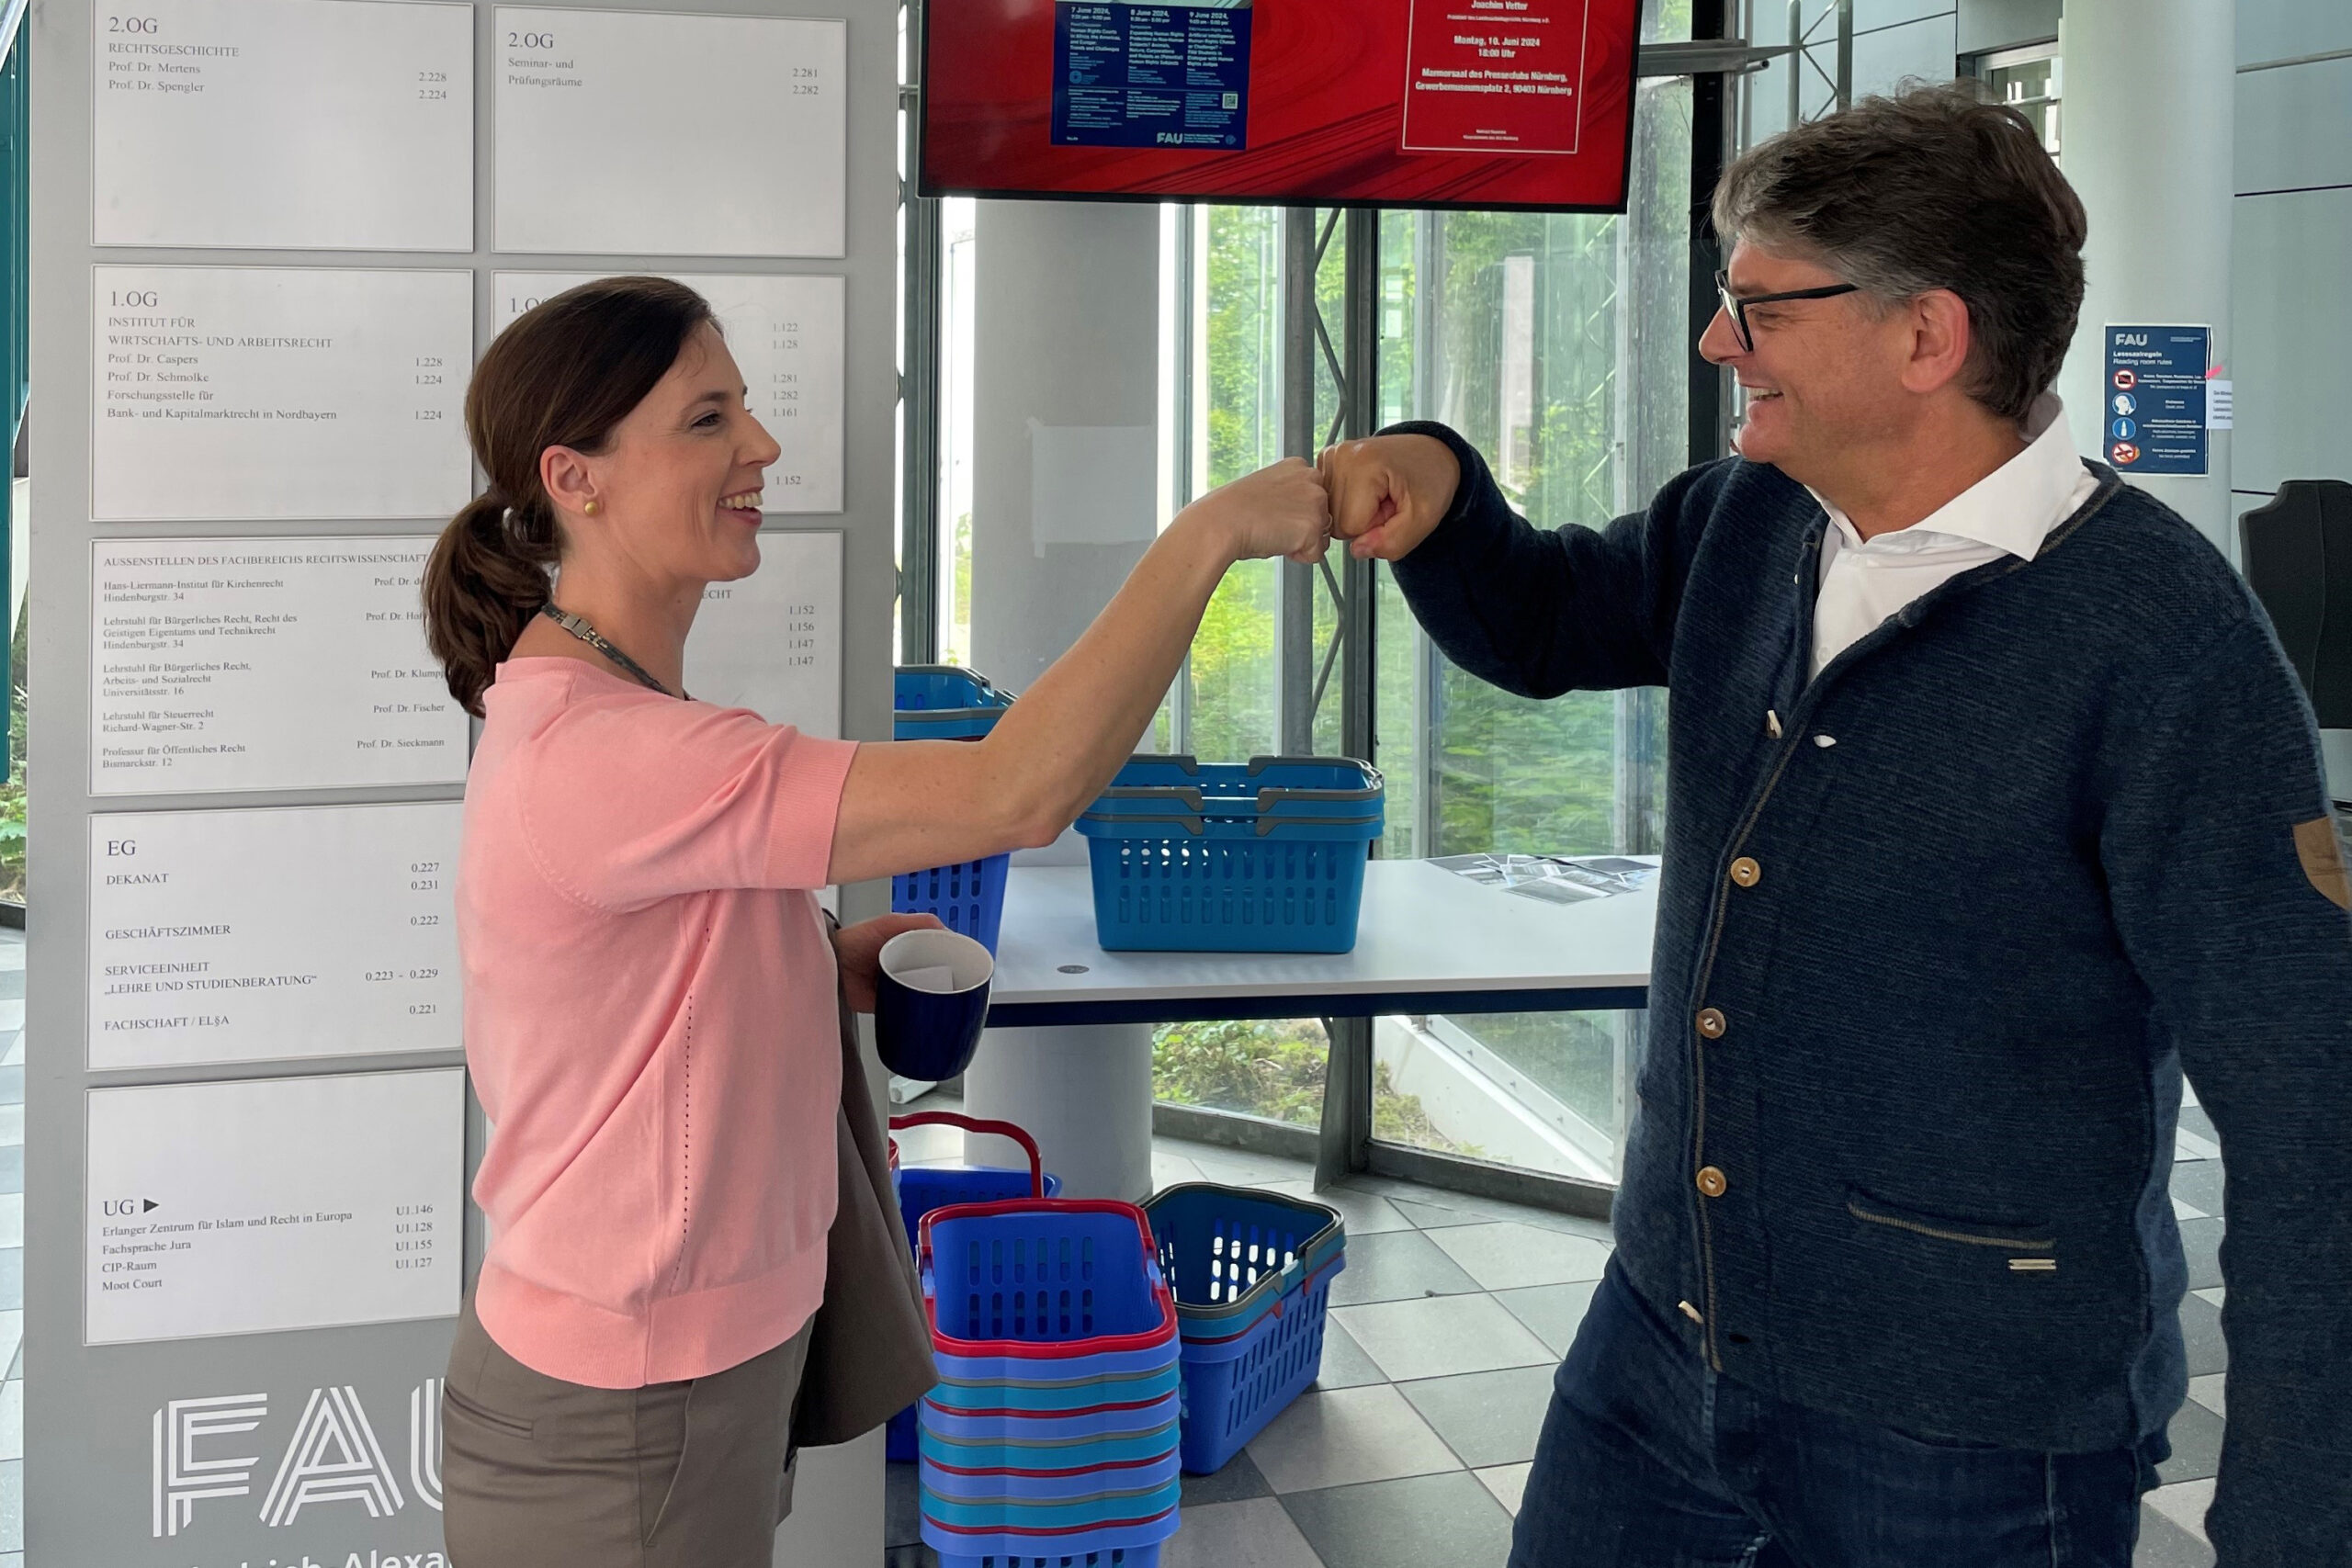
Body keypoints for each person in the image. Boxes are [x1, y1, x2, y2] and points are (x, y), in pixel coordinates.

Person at [1322, 86, 2352, 1566]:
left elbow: (2311, 1120)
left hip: (1969, 1433)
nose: (1715, 343)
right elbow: (1547, 612)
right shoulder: (1754, 518)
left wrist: (2295, 1523)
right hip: (1663, 1346)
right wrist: (1436, 487)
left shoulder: (2165, 643)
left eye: (1758, 308)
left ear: (1928, 338)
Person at [422, 276, 1330, 1567]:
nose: (763, 448)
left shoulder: (607, 712)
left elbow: (638, 983)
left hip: (670, 1380)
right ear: (578, 478)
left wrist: (801, 959)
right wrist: (1208, 536)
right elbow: (1016, 793)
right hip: (621, 1407)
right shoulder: (612, 752)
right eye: (707, 419)